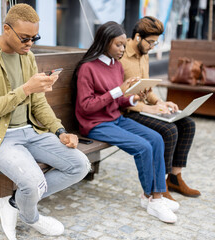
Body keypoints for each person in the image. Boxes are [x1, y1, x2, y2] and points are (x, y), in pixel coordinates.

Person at [0, 4, 90, 240]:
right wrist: (25, 89)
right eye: (25, 38)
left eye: (35, 38)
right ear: (6, 29)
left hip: (32, 132)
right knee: (32, 184)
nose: (30, 44)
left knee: (80, 165)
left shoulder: (28, 57)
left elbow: (39, 104)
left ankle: (14, 203)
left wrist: (59, 131)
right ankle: (31, 218)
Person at [73, 21, 179, 223]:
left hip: (116, 118)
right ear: (105, 43)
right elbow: (86, 106)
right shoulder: (88, 68)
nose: (122, 49)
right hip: (95, 124)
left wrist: (133, 98)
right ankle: (153, 199)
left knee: (156, 139)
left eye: (123, 45)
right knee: (142, 147)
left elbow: (118, 99)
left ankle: (155, 196)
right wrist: (118, 91)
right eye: (118, 45)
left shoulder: (116, 66)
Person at [119, 16, 200, 201]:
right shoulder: (121, 57)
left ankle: (175, 178)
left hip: (144, 107)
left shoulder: (144, 55)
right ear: (138, 37)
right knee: (169, 130)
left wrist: (159, 103)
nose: (152, 47)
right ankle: (160, 185)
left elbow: (147, 90)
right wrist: (149, 109)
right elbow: (120, 96)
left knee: (187, 123)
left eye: (155, 43)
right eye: (151, 42)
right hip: (127, 112)